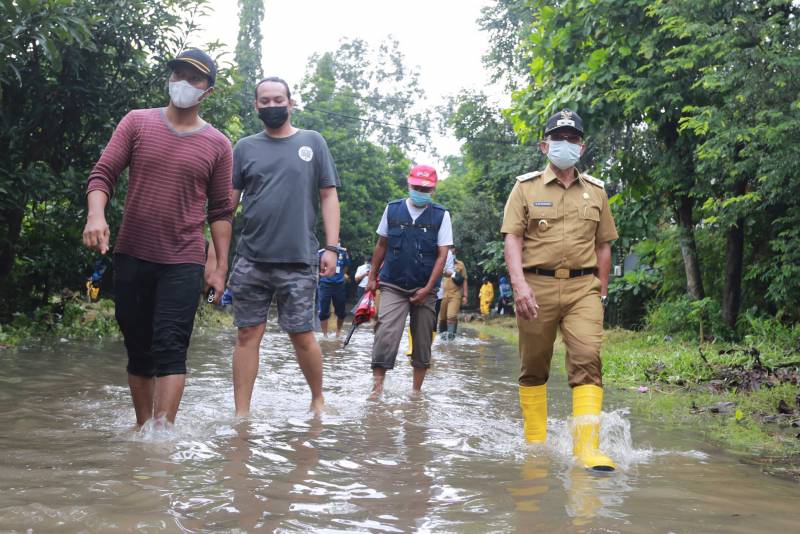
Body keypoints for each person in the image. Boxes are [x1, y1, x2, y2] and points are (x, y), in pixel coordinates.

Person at [82, 49, 233, 427]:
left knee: (170, 348)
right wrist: (95, 214)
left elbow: (220, 212)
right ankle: (141, 427)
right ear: (169, 79)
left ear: (208, 92)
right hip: (132, 253)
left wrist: (219, 267)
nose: (183, 82)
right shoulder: (137, 123)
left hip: (182, 260)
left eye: (194, 78)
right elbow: (103, 174)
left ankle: (161, 437)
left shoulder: (218, 144)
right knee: (138, 350)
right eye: (178, 73)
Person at [501, 109, 618, 471]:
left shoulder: (597, 192)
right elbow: (513, 238)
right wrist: (519, 285)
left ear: (581, 147)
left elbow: (604, 245)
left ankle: (587, 450)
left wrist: (601, 290)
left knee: (587, 357)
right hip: (535, 287)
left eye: (572, 138)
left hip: (584, 287)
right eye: (558, 138)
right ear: (544, 145)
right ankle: (535, 445)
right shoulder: (525, 188)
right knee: (534, 366)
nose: (565, 144)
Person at [228, 77, 340, 416]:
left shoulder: (313, 142)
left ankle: (317, 398)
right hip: (251, 257)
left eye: (279, 99)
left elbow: (328, 195)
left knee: (302, 334)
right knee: (247, 334)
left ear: (291, 103)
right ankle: (241, 414)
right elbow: (227, 205)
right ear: (256, 106)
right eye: (265, 100)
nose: (272, 105)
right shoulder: (244, 148)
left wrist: (332, 248)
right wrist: (213, 255)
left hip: (298, 258)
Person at [366, 164, 451, 396]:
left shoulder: (442, 215)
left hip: (426, 287)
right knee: (385, 334)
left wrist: (427, 289)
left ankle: (415, 393)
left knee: (423, 341)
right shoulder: (392, 210)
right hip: (393, 283)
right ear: (408, 183)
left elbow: (442, 255)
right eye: (416, 186)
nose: (420, 191)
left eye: (425, 188)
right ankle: (376, 390)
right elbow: (381, 244)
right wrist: (372, 277)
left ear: (433, 189)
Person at [317, 244, 350, 337]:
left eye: (338, 239)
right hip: (325, 284)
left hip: (339, 285)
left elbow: (346, 265)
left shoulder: (343, 252)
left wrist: (341, 276)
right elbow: (318, 267)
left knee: (341, 311)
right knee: (323, 311)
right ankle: (325, 334)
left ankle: (338, 332)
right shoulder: (321, 253)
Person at [437, 246, 468, 339]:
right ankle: (442, 339)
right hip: (442, 294)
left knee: (451, 316)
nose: (451, 253)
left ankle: (451, 339)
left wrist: (465, 296)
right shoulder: (441, 263)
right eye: (450, 251)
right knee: (442, 318)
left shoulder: (460, 265)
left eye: (453, 252)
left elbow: (465, 280)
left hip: (455, 294)